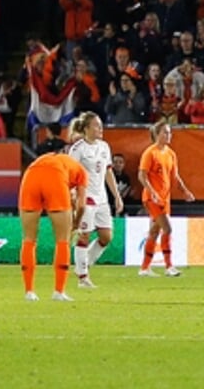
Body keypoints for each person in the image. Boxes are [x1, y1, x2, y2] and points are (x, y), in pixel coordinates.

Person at [18, 138, 88, 301]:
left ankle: (29, 291)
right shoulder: (81, 171)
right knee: (62, 241)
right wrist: (75, 224)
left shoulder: (53, 158)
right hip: (55, 178)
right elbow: (82, 205)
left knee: (29, 240)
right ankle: (59, 291)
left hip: (31, 175)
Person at [68, 113, 124, 288]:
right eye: (96, 126)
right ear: (86, 129)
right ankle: (83, 277)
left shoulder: (104, 147)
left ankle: (83, 265)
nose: (100, 129)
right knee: (84, 235)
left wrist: (117, 196)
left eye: (100, 126)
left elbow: (108, 172)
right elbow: (70, 174)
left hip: (102, 199)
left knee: (106, 237)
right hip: (86, 197)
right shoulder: (77, 149)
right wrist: (73, 195)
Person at [138, 119, 195, 277]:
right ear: (157, 134)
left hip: (165, 198)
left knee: (154, 232)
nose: (169, 135)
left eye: (170, 132)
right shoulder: (150, 153)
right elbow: (142, 175)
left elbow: (175, 176)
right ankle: (169, 266)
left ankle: (144, 268)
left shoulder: (170, 153)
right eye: (166, 132)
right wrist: (153, 192)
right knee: (167, 228)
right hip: (152, 198)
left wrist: (185, 191)